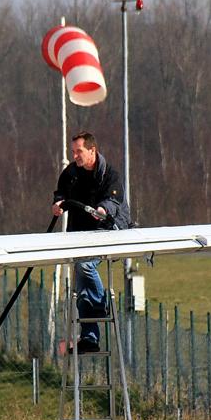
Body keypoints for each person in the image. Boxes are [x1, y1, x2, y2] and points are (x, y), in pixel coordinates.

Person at [52, 132, 131, 353]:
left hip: (107, 232)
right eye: (73, 152)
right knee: (82, 281)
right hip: (81, 234)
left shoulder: (110, 175)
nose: (75, 156)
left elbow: (113, 200)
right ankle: (90, 338)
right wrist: (57, 204)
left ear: (92, 150)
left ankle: (99, 307)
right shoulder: (70, 174)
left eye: (79, 151)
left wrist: (103, 210)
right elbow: (60, 193)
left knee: (85, 266)